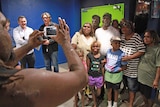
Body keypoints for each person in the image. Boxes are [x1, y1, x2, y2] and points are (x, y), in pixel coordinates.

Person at [0, 11, 88, 107]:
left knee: (54, 64)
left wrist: (30, 45)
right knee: (48, 65)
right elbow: (82, 78)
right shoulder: (26, 83)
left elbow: (6, 61)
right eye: (4, 27)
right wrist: (65, 42)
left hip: (52, 49)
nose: (9, 34)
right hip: (45, 50)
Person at [120, 20, 146, 107]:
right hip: (123, 67)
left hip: (132, 69)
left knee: (132, 87)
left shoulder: (136, 37)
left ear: (131, 28)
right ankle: (129, 99)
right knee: (126, 85)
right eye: (123, 27)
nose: (124, 29)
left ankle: (131, 104)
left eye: (126, 27)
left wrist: (129, 57)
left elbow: (142, 51)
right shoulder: (122, 37)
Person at [95, 12, 120, 101]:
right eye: (104, 18)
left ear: (110, 20)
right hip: (100, 56)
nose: (106, 20)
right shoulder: (97, 31)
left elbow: (117, 44)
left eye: (108, 18)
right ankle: (100, 95)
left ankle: (112, 97)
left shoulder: (115, 31)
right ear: (102, 19)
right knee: (100, 75)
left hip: (111, 57)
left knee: (111, 76)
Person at [138, 30, 160, 107]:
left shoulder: (158, 49)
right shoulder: (144, 47)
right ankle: (146, 104)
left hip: (150, 78)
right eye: (144, 37)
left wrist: (156, 80)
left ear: (153, 38)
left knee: (150, 96)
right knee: (142, 93)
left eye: (148, 37)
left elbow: (159, 66)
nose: (145, 38)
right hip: (141, 76)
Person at [104, 36, 127, 107]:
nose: (118, 45)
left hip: (117, 75)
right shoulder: (108, 51)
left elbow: (124, 66)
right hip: (108, 74)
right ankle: (109, 103)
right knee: (109, 90)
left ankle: (115, 104)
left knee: (116, 90)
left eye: (119, 43)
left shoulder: (122, 54)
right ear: (111, 44)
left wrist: (116, 69)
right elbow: (107, 60)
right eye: (116, 43)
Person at [86, 40, 105, 107]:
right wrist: (86, 75)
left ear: (99, 47)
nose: (95, 48)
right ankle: (95, 103)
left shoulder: (102, 57)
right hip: (91, 76)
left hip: (99, 76)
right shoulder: (89, 55)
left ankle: (96, 99)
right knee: (92, 90)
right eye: (93, 46)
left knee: (99, 93)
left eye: (97, 46)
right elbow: (88, 66)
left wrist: (103, 77)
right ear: (91, 47)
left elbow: (102, 67)